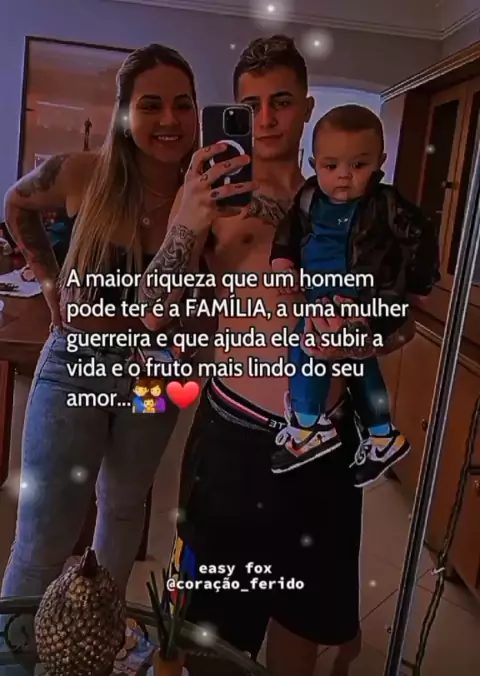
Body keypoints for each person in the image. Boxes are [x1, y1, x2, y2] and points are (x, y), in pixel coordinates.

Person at [139, 36, 415, 676]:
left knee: (303, 621)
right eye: (250, 105)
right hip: (235, 437)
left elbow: (401, 317)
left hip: (327, 443)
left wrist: (368, 336)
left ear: (307, 107)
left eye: (281, 102)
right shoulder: (212, 196)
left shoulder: (357, 200)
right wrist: (186, 222)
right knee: (212, 630)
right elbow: (152, 310)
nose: (265, 119)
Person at [1, 44, 243, 603]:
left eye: (183, 104)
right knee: (43, 539)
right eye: (150, 105)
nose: (169, 119)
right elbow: (17, 204)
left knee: (124, 508)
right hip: (75, 366)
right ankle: (17, 647)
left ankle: (97, 633)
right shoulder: (83, 173)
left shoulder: (211, 195)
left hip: (155, 377)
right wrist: (48, 279)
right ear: (124, 113)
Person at [270, 104, 439, 485]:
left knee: (307, 347)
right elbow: (288, 233)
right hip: (320, 293)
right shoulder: (308, 197)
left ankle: (309, 425)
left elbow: (421, 235)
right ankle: (382, 435)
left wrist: (414, 287)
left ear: (380, 163)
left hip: (361, 298)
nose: (344, 176)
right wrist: (283, 262)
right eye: (331, 166)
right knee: (359, 367)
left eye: (359, 165)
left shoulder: (386, 203)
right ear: (314, 164)